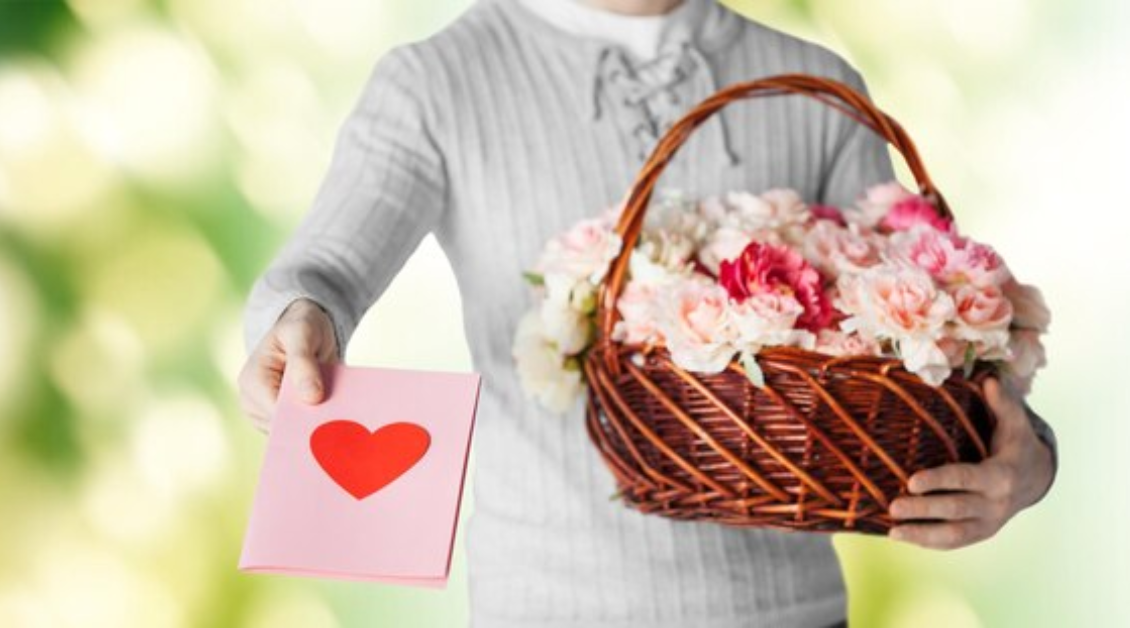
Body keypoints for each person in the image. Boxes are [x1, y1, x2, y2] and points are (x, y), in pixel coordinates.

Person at [237, 0, 1059, 626]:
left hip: (792, 612)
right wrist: (297, 322)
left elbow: (927, 347)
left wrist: (1028, 458)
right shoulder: (438, 80)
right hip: (549, 609)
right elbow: (327, 269)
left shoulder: (819, 87)